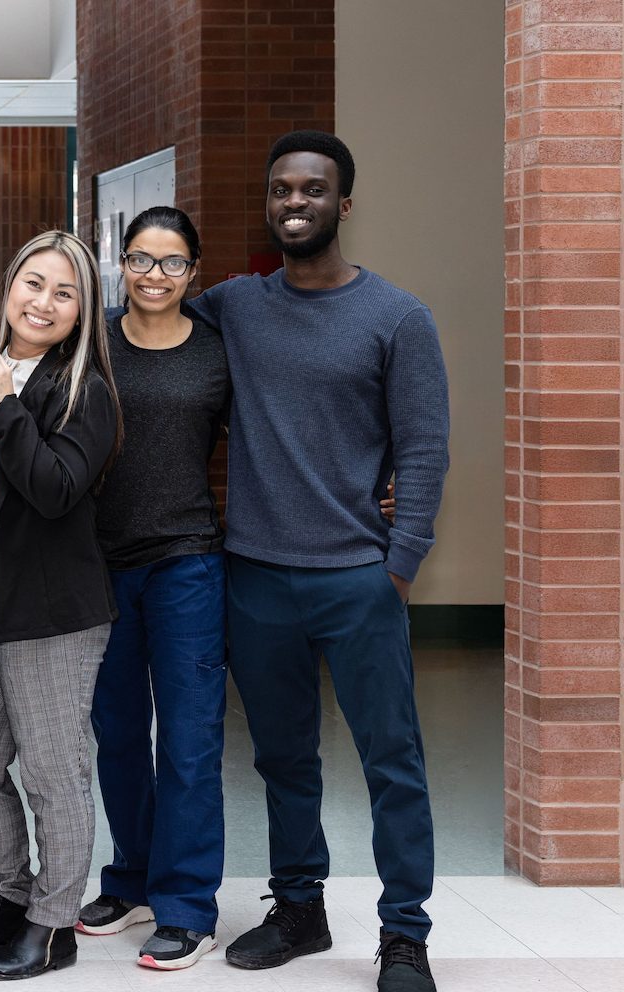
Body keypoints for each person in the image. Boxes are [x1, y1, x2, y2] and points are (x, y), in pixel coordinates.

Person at [191, 130, 449, 992]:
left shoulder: (397, 318)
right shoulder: (233, 306)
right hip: (256, 574)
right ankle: (299, 908)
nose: (293, 203)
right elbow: (152, 330)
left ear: (344, 202)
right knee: (282, 758)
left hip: (358, 579)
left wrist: (398, 564)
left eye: (311, 190)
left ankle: (404, 933)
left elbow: (423, 451)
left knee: (392, 759)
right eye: (279, 191)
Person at [0, 230, 121, 982]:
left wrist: (5, 406)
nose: (43, 302)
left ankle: (54, 925)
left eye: (64, 291)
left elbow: (53, 488)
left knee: (54, 773)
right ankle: (9, 896)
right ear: (8, 284)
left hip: (52, 610)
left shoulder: (87, 391)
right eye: (33, 283)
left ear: (84, 310)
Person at [70, 206, 229, 971]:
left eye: (170, 263)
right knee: (121, 732)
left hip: (188, 563)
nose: (154, 276)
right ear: (120, 265)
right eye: (139, 259)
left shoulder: (219, 354)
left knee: (191, 740)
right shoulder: (92, 341)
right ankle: (131, 878)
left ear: (194, 272)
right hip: (102, 564)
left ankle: (187, 904)